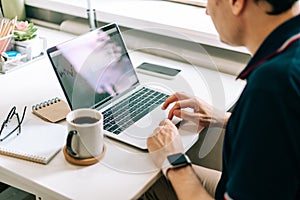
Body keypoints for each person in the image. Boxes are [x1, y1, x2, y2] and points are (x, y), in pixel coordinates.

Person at [145, 0, 300, 199]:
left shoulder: (273, 85)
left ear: (236, 2)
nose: (208, 11)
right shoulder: (290, 59)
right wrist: (223, 118)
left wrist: (174, 161)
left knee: (147, 186)